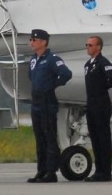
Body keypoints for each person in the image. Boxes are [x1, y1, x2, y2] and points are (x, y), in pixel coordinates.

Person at [27, 29, 72, 183]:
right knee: (39, 138)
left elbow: (66, 74)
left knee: (49, 136)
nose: (31, 42)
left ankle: (51, 172)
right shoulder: (33, 59)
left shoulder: (52, 58)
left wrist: (51, 85)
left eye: (35, 40)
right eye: (31, 40)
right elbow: (31, 76)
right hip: (36, 102)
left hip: (47, 101)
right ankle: (41, 170)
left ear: (44, 42)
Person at [83, 36, 112, 182]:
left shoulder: (104, 63)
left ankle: (106, 172)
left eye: (90, 45)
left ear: (98, 47)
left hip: (101, 104)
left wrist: (102, 88)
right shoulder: (88, 64)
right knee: (95, 139)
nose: (88, 47)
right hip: (91, 104)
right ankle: (99, 171)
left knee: (103, 139)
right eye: (87, 45)